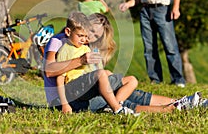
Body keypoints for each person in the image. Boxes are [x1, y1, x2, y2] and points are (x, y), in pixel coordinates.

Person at [43, 12, 203, 114]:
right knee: (122, 99)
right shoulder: (59, 41)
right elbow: (49, 70)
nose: (90, 38)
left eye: (95, 36)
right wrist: (82, 60)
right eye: (90, 31)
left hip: (84, 92)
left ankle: (182, 101)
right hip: (66, 100)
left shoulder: (84, 46)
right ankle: (173, 109)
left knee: (126, 89)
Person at [55, 12, 137, 114]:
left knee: (132, 80)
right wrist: (64, 104)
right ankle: (117, 109)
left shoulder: (87, 49)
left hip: (89, 86)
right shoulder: (66, 49)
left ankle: (113, 105)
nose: (88, 37)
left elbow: (97, 71)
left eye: (96, 36)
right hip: (74, 87)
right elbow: (59, 76)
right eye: (90, 31)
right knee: (102, 73)